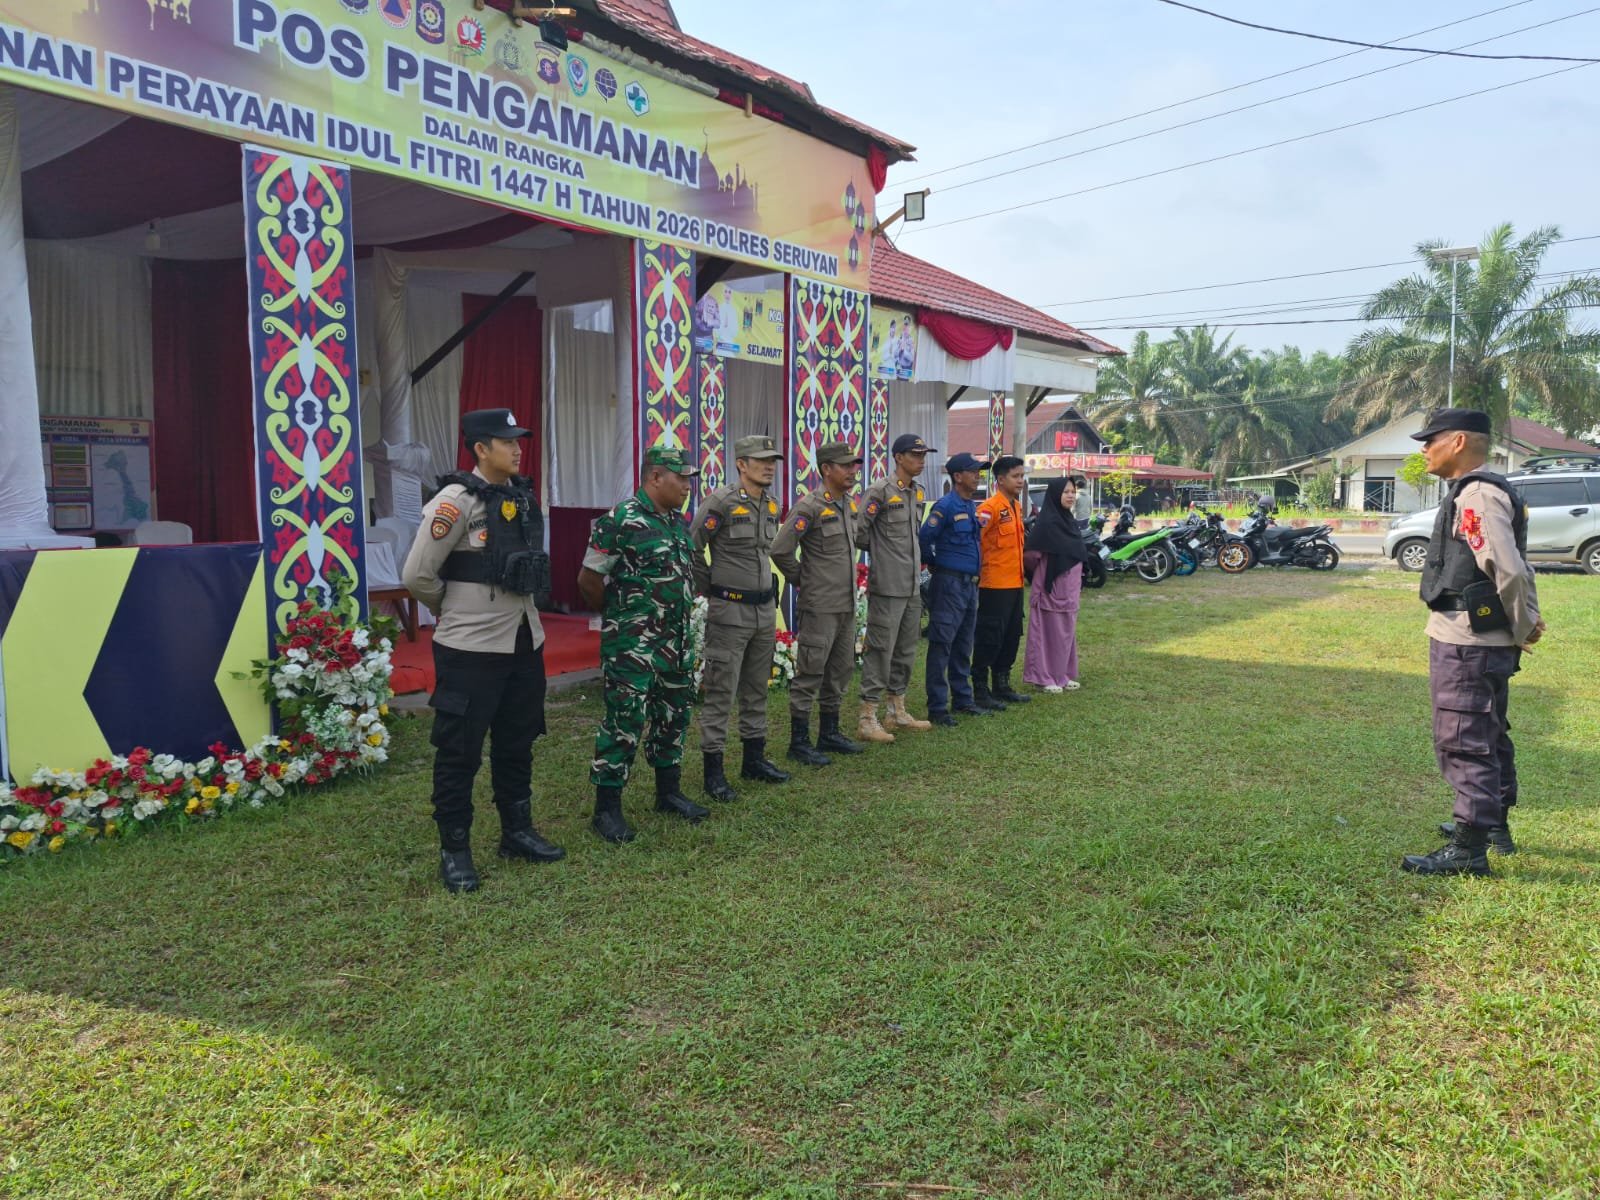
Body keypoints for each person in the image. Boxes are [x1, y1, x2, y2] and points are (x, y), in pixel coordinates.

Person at [403, 408, 562, 893]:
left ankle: (517, 832)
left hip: (524, 639)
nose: (516, 449)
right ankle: (455, 849)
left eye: (518, 440)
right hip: (471, 648)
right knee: (460, 750)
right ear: (480, 448)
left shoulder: (521, 497)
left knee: (517, 741)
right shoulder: (454, 502)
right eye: (506, 441)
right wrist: (454, 610)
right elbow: (417, 576)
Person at [1401, 408, 1544, 876]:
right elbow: (1517, 566)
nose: (1425, 449)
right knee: (1488, 731)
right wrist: (1525, 620)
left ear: (1458, 442)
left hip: (1468, 639)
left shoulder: (1478, 495)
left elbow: (1508, 569)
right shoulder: (1479, 491)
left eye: (1432, 439)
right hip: (1478, 637)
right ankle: (1493, 826)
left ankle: (1469, 847)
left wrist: (1523, 625)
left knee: (1464, 737)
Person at [577, 444, 709, 844]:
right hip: (633, 646)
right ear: (655, 477)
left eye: (688, 479)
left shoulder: (675, 522)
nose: (687, 486)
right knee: (625, 720)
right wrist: (622, 618)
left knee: (674, 715)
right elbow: (589, 580)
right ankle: (607, 809)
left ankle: (668, 793)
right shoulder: (620, 520)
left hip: (676, 642)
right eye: (680, 478)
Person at [691, 434, 789, 802]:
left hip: (764, 610)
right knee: (721, 692)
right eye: (761, 460)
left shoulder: (772, 504)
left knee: (756, 688)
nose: (769, 466)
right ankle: (713, 772)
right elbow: (692, 547)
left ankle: (754, 759)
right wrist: (713, 588)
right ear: (741, 464)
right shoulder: (721, 502)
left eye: (772, 460)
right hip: (730, 611)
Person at [770, 441, 865, 766]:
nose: (852, 471)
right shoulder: (809, 506)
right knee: (810, 671)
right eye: (845, 465)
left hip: (845, 604)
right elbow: (780, 549)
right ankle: (799, 741)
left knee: (840, 669)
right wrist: (804, 579)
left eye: (854, 465)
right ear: (826, 469)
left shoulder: (848, 504)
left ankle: (829, 732)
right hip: (820, 605)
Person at [855, 434, 935, 742]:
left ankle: (896, 710)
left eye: (923, 455)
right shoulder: (879, 491)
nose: (921, 460)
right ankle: (867, 716)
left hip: (911, 584)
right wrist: (883, 554)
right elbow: (860, 533)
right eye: (915, 455)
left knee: (905, 648)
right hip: (888, 585)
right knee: (880, 650)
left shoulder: (917, 491)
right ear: (899, 457)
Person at [919, 451, 991, 726]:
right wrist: (935, 563)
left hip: (969, 584)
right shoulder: (946, 506)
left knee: (963, 642)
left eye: (979, 471)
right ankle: (938, 707)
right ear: (958, 476)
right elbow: (925, 537)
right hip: (949, 583)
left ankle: (962, 699)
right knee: (942, 644)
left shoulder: (970, 505)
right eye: (973, 472)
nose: (977, 476)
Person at [973, 455, 1032, 711]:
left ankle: (1002, 684)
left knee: (1011, 635)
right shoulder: (989, 508)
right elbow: (975, 541)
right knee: (990, 636)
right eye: (1015, 476)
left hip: (1015, 582)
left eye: (1022, 476)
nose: (1020, 480)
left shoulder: (1016, 506)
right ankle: (980, 689)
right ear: (1000, 479)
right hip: (994, 584)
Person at [1023, 475, 1092, 694]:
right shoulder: (1046, 524)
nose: (1071, 496)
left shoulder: (1069, 521)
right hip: (1050, 589)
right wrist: (1042, 574)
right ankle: (1043, 677)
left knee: (1066, 632)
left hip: (1069, 591)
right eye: (1066, 492)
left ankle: (1063, 674)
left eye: (1073, 492)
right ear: (1055, 494)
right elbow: (1031, 557)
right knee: (1047, 633)